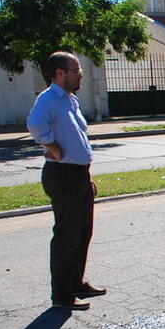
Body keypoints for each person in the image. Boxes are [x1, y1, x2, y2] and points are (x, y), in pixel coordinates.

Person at [26, 51, 107, 311]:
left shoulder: (70, 100)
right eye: (76, 70)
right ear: (59, 72)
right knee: (66, 236)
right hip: (62, 175)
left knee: (83, 232)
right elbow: (36, 125)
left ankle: (76, 282)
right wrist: (53, 146)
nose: (80, 74)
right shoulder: (48, 99)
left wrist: (86, 174)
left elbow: (77, 138)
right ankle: (61, 295)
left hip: (78, 175)